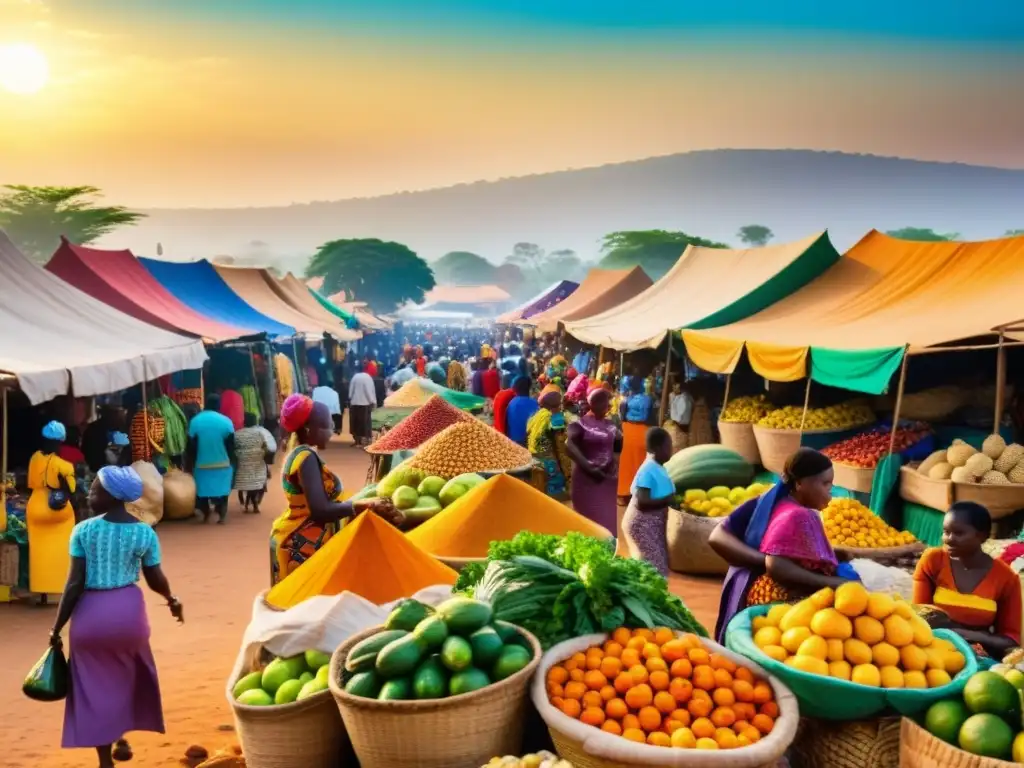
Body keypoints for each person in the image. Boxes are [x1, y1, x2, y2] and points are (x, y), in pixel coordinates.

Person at [49, 465, 182, 768]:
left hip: (90, 619)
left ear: (111, 496)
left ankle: (105, 759)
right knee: (126, 677)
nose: (90, 494)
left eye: (95, 489)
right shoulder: (144, 533)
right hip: (129, 616)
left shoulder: (83, 530)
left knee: (95, 687)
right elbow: (155, 577)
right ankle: (121, 732)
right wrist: (171, 600)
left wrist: (56, 627)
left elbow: (73, 585)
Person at [709, 447, 850, 643]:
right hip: (775, 605)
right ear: (800, 483)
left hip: (753, 596)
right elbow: (776, 565)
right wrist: (835, 583)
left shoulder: (776, 502)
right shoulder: (799, 515)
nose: (830, 491)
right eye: (826, 483)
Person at [270, 394, 400, 585]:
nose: (332, 432)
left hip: (297, 535)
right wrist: (362, 505)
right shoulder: (305, 458)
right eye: (327, 427)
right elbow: (320, 510)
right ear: (309, 429)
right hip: (305, 543)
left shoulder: (297, 454)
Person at [913, 501, 1022, 659]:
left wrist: (962, 633)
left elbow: (1010, 640)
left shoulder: (1006, 578)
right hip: (932, 650)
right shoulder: (933, 561)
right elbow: (919, 617)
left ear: (982, 536)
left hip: (979, 656)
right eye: (946, 531)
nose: (948, 539)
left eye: (959, 533)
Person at [27, 421, 77, 600]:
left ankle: (42, 592)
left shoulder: (34, 458)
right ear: (60, 441)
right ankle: (60, 585)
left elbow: (30, 483)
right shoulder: (63, 465)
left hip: (35, 505)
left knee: (38, 551)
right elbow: (70, 490)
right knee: (61, 549)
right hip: (56, 510)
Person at [621, 427, 676, 576]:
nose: (671, 449)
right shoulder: (648, 469)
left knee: (656, 565)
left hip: (651, 525)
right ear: (658, 448)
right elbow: (642, 502)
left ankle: (652, 595)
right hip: (641, 524)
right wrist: (667, 500)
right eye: (668, 446)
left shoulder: (658, 467)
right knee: (653, 569)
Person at [566, 388, 621, 531]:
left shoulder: (609, 424)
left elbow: (617, 445)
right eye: (606, 404)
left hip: (604, 479)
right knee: (586, 522)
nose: (609, 407)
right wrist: (589, 467)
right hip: (585, 480)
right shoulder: (579, 423)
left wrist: (613, 467)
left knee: (604, 522)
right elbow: (569, 445)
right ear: (594, 404)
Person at [186, 395, 236, 524]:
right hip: (223, 464)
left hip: (202, 465)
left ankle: (206, 512)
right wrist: (232, 461)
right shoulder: (226, 421)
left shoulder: (195, 421)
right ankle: (222, 513)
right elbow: (231, 445)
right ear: (219, 405)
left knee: (202, 491)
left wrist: (190, 463)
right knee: (223, 490)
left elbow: (191, 446)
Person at [527, 387, 572, 501]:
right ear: (557, 405)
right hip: (547, 456)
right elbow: (561, 442)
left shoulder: (536, 416)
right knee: (555, 480)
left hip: (534, 456)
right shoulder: (554, 418)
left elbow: (528, 432)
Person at [617, 377, 655, 500]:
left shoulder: (626, 400)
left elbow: (622, 417)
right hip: (643, 430)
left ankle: (624, 494)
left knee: (626, 462)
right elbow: (651, 417)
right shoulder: (648, 399)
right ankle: (641, 493)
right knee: (642, 461)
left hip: (628, 430)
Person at [233, 413, 276, 514]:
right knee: (256, 484)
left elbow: (234, 448)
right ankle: (254, 504)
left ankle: (249, 504)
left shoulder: (237, 434)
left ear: (244, 422)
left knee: (248, 485)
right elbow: (271, 448)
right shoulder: (261, 433)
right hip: (258, 464)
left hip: (243, 466)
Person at [504, 376, 539, 445]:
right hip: (529, 441)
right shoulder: (534, 403)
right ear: (529, 388)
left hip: (513, 440)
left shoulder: (512, 403)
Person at [348, 365, 376, 447]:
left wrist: (350, 398)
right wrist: (373, 401)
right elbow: (369, 391)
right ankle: (366, 440)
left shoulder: (354, 377)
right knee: (365, 423)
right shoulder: (368, 378)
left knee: (355, 423)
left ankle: (357, 441)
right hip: (365, 403)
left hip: (355, 403)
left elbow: (351, 391)